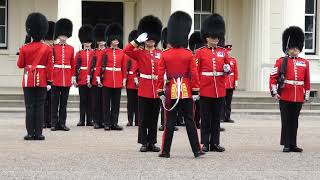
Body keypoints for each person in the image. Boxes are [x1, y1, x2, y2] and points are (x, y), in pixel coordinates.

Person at [158, 11, 204, 158]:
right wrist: (196, 91)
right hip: (186, 90)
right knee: (190, 121)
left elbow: (160, 74)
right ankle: (196, 150)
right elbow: (194, 74)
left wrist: (160, 91)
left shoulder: (165, 54)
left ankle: (165, 151)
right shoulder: (188, 54)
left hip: (171, 89)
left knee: (169, 122)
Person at [124, 15, 162, 152]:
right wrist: (136, 41)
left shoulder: (160, 53)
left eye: (152, 39)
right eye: (148, 39)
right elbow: (126, 50)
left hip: (156, 89)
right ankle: (144, 142)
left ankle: (152, 142)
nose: (150, 41)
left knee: (153, 118)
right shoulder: (139, 53)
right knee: (143, 118)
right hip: (144, 88)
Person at [269, 26, 310, 153]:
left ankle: (293, 144)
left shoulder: (304, 62)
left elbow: (306, 81)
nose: (294, 50)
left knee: (295, 121)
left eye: (297, 48)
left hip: (298, 95)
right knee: (286, 120)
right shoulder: (281, 61)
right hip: (285, 94)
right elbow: (273, 77)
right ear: (287, 48)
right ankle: (286, 144)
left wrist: (306, 94)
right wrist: (274, 92)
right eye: (292, 48)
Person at [196, 13, 231, 152]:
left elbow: (228, 68)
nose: (216, 39)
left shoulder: (223, 52)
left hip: (220, 89)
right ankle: (204, 143)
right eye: (213, 37)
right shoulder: (200, 52)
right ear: (206, 37)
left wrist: (227, 70)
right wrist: (196, 88)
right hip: (205, 89)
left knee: (216, 118)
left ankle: (215, 143)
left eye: (217, 37)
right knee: (205, 118)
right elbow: (196, 72)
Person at [17, 12, 53, 140]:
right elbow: (50, 67)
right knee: (40, 106)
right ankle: (39, 133)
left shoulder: (24, 48)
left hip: (28, 80)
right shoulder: (48, 48)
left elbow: (20, 65)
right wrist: (49, 82)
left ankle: (30, 133)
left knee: (29, 107)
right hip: (42, 80)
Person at [96, 23, 126, 131]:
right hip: (107, 80)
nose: (116, 41)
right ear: (110, 40)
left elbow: (123, 67)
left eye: (117, 39)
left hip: (117, 80)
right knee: (106, 103)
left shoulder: (121, 52)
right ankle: (107, 123)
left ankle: (115, 123)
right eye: (114, 39)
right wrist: (98, 78)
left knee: (116, 104)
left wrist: (124, 80)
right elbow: (99, 65)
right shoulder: (104, 52)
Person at [51, 18, 74, 131]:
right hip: (56, 77)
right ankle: (54, 123)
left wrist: (73, 77)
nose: (63, 37)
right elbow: (51, 63)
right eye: (62, 35)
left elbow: (72, 64)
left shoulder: (71, 49)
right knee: (54, 103)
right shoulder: (54, 47)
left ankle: (62, 123)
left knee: (64, 103)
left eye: (65, 35)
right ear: (59, 35)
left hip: (66, 78)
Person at [158, 27, 178, 132]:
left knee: (173, 103)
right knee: (164, 104)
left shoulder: (175, 53)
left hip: (174, 81)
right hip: (165, 81)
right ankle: (163, 123)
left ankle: (172, 123)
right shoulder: (162, 53)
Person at [75, 24, 94, 126]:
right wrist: (75, 78)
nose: (87, 43)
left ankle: (90, 120)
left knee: (90, 100)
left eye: (89, 41)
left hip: (91, 78)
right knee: (82, 100)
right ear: (83, 42)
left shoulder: (94, 53)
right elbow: (75, 67)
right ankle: (82, 120)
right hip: (82, 78)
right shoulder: (78, 53)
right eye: (86, 42)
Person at [90, 23, 107, 129]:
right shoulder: (94, 52)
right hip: (95, 80)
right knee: (95, 102)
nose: (101, 42)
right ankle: (96, 121)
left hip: (105, 79)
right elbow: (90, 66)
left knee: (104, 102)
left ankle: (104, 121)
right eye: (100, 41)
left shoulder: (107, 51)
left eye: (103, 41)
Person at [188, 31, 204, 129]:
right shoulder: (192, 56)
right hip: (192, 83)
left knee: (200, 105)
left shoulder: (200, 54)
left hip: (201, 83)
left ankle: (197, 121)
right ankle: (193, 121)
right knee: (193, 105)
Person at [125, 30, 140, 127]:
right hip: (130, 81)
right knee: (130, 102)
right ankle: (130, 120)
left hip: (139, 81)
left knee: (139, 103)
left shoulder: (140, 53)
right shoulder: (128, 55)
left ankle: (138, 120)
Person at [221, 44, 238, 123]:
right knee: (222, 102)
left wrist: (236, 82)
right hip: (223, 84)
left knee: (228, 102)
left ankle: (227, 117)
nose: (228, 53)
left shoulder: (233, 60)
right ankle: (221, 117)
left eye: (229, 51)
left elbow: (235, 72)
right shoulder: (222, 60)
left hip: (230, 84)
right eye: (227, 51)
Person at [43, 21, 55, 129]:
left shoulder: (55, 48)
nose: (51, 41)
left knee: (51, 101)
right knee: (43, 100)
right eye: (49, 40)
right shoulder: (42, 48)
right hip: (43, 78)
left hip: (53, 78)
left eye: (52, 39)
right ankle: (43, 121)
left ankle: (50, 120)